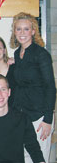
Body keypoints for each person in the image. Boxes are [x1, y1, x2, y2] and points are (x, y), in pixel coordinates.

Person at [10, 12, 56, 163]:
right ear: (14, 31)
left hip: (40, 116)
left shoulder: (41, 54)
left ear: (33, 31)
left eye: (26, 29)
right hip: (22, 115)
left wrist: (48, 119)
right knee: (23, 157)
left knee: (39, 159)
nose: (22, 33)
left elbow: (50, 87)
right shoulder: (17, 54)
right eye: (18, 29)